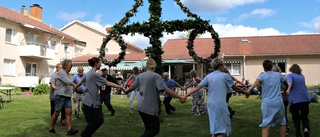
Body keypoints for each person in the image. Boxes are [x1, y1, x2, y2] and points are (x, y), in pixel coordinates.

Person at [184, 58, 249, 137]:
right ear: (220, 66)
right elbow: (236, 88)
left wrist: (185, 96)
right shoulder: (225, 76)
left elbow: (197, 87)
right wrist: (246, 92)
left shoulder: (208, 76)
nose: (224, 67)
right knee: (223, 130)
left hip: (210, 104)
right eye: (224, 65)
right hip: (220, 104)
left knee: (215, 128)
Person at [124, 59, 186, 137]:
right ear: (154, 66)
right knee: (155, 129)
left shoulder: (140, 76)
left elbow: (132, 87)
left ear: (146, 66)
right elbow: (165, 89)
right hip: (150, 107)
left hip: (140, 107)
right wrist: (180, 97)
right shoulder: (156, 76)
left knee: (148, 128)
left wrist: (126, 91)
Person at [79, 57, 126, 137]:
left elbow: (81, 82)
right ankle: (85, 134)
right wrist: (120, 87)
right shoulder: (94, 74)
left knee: (100, 120)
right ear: (96, 64)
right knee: (92, 123)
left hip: (94, 101)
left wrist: (75, 86)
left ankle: (85, 134)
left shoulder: (89, 73)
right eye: (100, 63)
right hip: (89, 102)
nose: (101, 64)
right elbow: (108, 83)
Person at [247, 59, 288, 137]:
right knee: (282, 121)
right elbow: (286, 84)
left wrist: (249, 91)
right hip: (278, 102)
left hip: (267, 103)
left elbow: (256, 83)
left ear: (263, 67)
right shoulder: (278, 75)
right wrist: (285, 90)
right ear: (272, 66)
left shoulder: (262, 76)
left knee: (266, 123)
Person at [49, 59, 78, 135]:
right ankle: (51, 128)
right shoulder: (61, 72)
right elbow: (67, 81)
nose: (71, 68)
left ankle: (69, 130)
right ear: (66, 65)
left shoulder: (67, 74)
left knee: (68, 112)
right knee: (56, 112)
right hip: (60, 95)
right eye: (70, 66)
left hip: (67, 96)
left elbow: (68, 83)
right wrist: (75, 85)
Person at [286, 64, 311, 137]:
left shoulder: (290, 75)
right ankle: (306, 129)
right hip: (305, 98)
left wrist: (288, 89)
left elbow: (290, 83)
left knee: (295, 117)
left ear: (291, 69)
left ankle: (298, 134)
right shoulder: (302, 76)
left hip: (295, 100)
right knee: (304, 116)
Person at [272, 65, 290, 134]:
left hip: (282, 97)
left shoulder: (279, 77)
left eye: (273, 70)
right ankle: (284, 127)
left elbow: (285, 86)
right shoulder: (281, 77)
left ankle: (286, 127)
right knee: (281, 113)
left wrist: (283, 91)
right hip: (282, 97)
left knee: (282, 113)